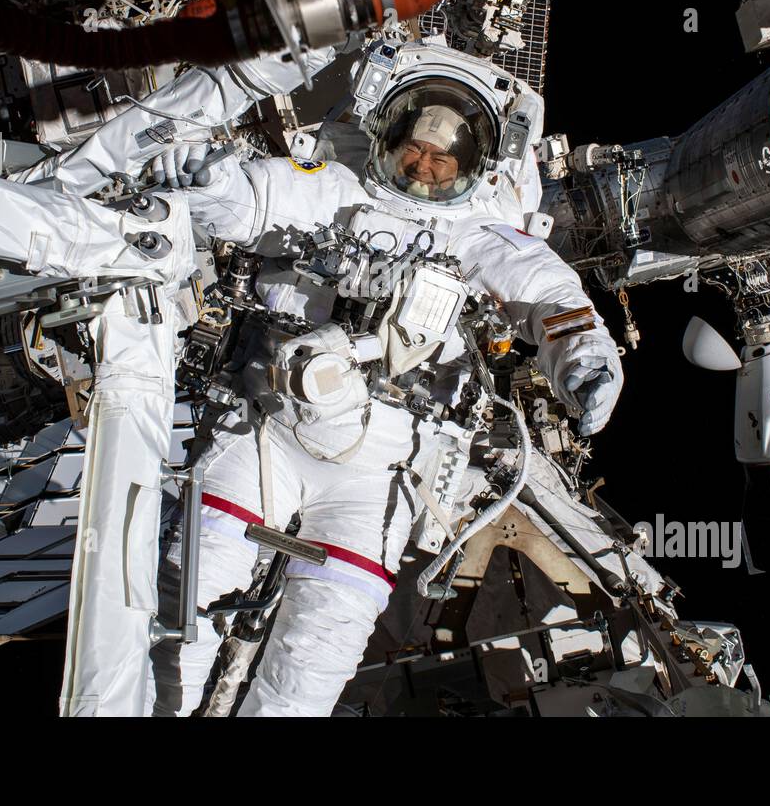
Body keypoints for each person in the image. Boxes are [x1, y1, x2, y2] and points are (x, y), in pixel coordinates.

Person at [41, 39, 624, 716]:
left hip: (377, 475)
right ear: (389, 134)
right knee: (184, 608)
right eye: (415, 147)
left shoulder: (478, 232)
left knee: (310, 665)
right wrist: (207, 175)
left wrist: (584, 360)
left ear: (472, 167)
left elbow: (553, 300)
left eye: (443, 158)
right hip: (269, 436)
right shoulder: (329, 184)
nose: (424, 165)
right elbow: (247, 201)